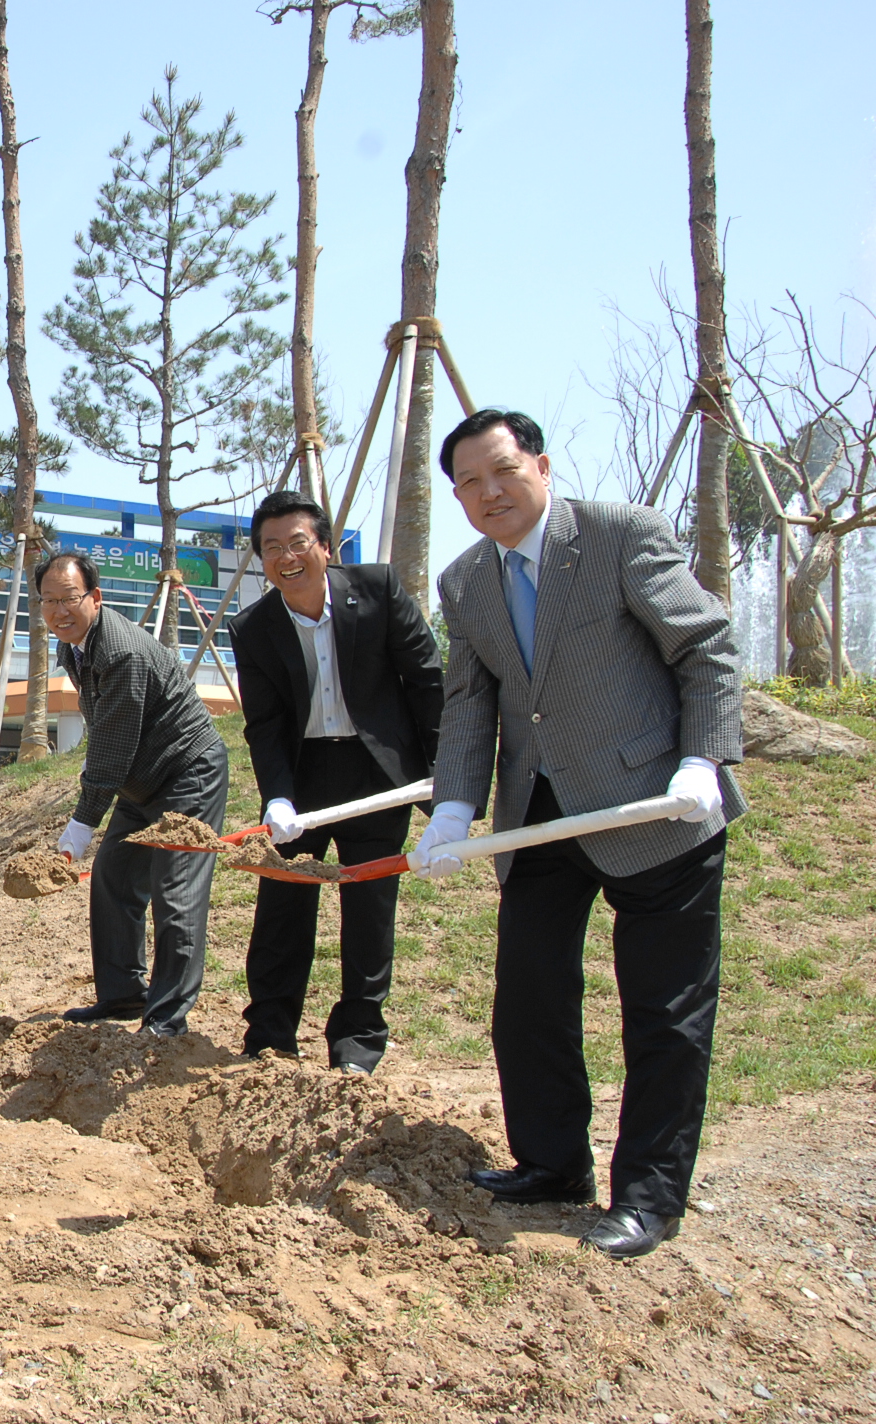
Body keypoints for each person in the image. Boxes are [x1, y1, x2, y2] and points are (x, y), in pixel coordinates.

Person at [417, 408, 743, 1259]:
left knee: (664, 1012)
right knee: (529, 997)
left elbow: (705, 647)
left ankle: (648, 1197)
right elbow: (470, 703)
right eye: (469, 484)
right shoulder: (465, 581)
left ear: (542, 465)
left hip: (656, 805)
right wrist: (454, 807)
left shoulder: (617, 535)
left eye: (503, 471)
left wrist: (702, 760)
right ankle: (552, 1165)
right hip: (541, 812)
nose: (490, 493)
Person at [229, 489, 444, 1074]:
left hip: (377, 773)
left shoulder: (377, 591)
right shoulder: (253, 628)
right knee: (282, 903)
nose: (287, 556)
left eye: (298, 542)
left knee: (369, 906)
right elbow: (265, 724)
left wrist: (445, 782)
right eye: (271, 547)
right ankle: (270, 1034)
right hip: (303, 776)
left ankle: (358, 1043)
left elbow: (427, 683)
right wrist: (277, 796)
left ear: (325, 547)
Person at [44, 551, 229, 1038]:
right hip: (141, 779)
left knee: (176, 890)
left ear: (95, 597)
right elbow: (108, 732)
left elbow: (111, 748)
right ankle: (124, 993)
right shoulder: (74, 645)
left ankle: (166, 1018)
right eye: (48, 601)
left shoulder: (120, 651)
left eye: (69, 598)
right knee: (114, 875)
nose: (59, 611)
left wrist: (80, 825)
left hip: (187, 772)